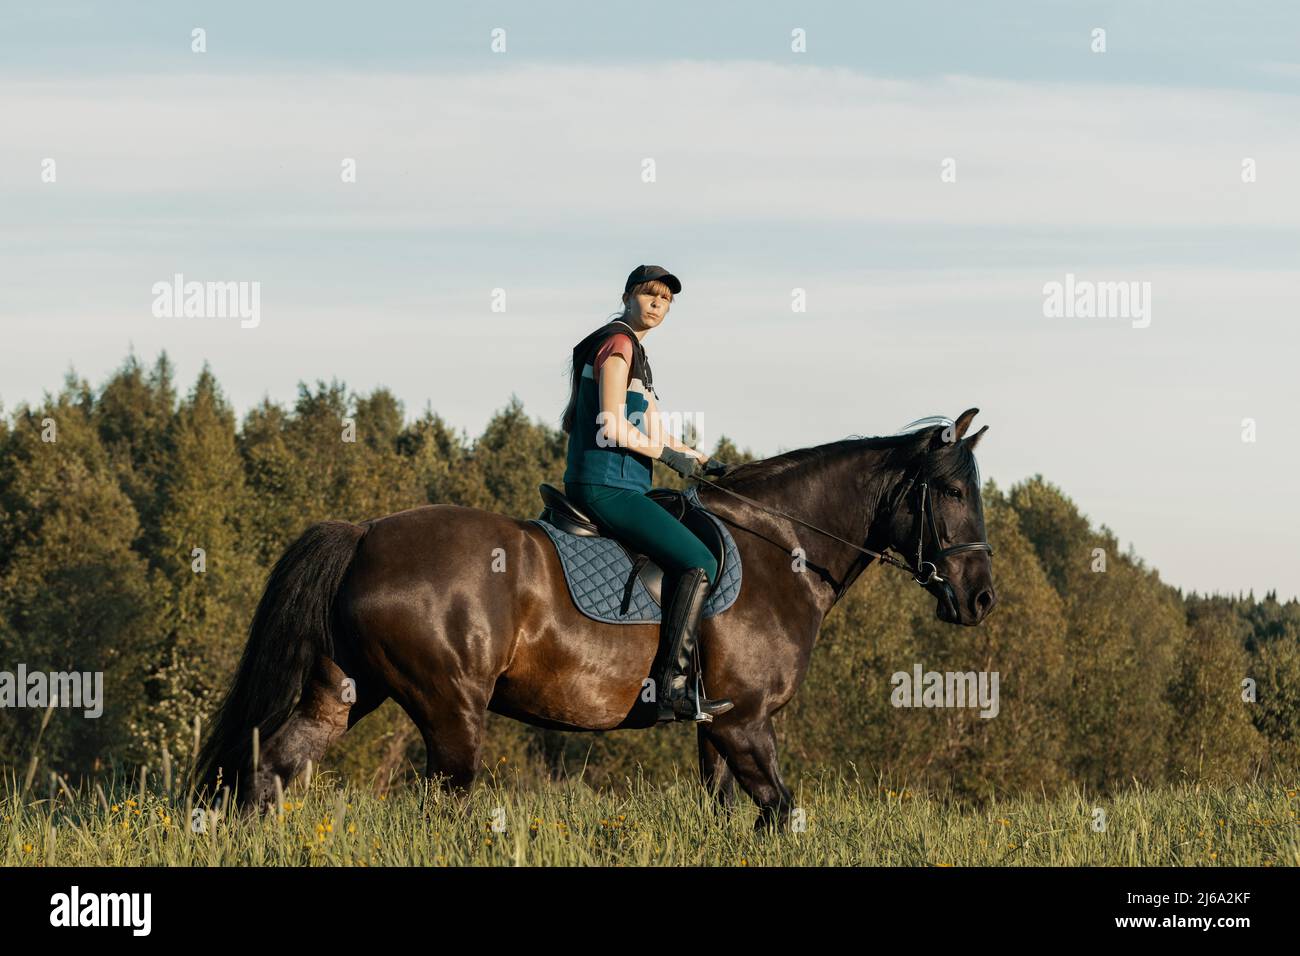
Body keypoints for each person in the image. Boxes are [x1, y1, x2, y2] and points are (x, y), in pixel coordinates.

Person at [559, 264, 734, 722]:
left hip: (625, 484)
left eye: (666, 300)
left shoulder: (637, 354)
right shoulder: (617, 344)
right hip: (606, 486)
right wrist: (666, 456)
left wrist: (696, 459)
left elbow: (653, 428)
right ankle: (673, 688)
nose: (657, 305)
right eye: (649, 295)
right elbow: (613, 424)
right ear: (627, 296)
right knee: (701, 561)